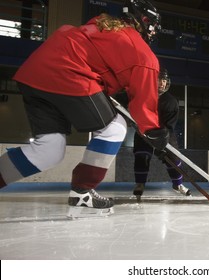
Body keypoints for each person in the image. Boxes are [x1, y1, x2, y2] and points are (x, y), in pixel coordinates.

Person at [0, 0, 169, 217]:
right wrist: (154, 132)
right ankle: (82, 191)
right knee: (114, 128)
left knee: (49, 149)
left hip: (36, 71)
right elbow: (144, 105)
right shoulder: (143, 53)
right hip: (69, 73)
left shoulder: (102, 25)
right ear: (145, 22)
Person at [130, 68, 191, 199]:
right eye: (159, 80)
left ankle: (178, 184)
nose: (162, 83)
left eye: (164, 80)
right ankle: (140, 184)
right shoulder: (143, 97)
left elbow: (169, 125)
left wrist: (160, 142)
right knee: (141, 155)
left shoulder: (171, 101)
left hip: (164, 133)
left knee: (173, 158)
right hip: (144, 131)